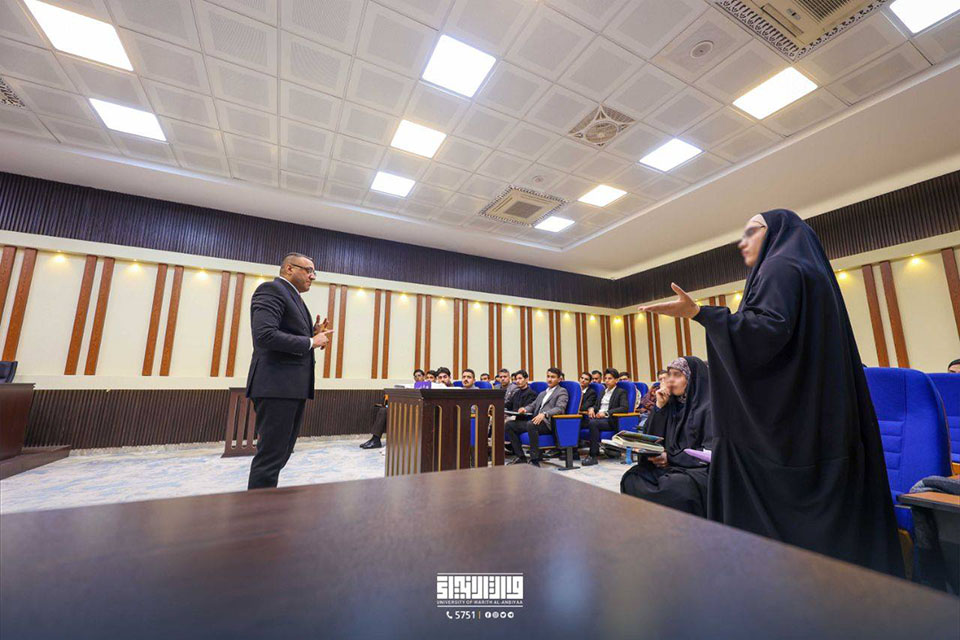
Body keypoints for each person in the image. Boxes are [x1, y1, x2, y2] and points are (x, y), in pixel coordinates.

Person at [640, 209, 902, 576]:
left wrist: (701, 313)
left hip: (794, 433)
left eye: (752, 231)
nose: (742, 242)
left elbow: (764, 336)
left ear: (779, 233)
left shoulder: (781, 266)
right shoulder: (808, 271)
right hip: (822, 419)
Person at [246, 252, 332, 490]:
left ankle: (265, 502)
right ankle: (258, 508)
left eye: (314, 272)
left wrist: (312, 334)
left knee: (281, 453)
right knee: (270, 457)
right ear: (289, 269)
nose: (313, 276)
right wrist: (311, 342)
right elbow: (265, 335)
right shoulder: (271, 290)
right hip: (276, 386)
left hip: (290, 388)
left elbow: (287, 333)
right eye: (308, 270)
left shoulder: (294, 297)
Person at [621, 357, 714, 517]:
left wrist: (670, 457)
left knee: (674, 486)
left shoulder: (709, 408)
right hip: (671, 467)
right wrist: (659, 407)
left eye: (677, 375)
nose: (670, 380)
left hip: (697, 469)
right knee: (632, 477)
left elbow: (709, 454)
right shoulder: (670, 405)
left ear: (692, 379)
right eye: (669, 375)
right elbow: (653, 439)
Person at [507, 367, 568, 467]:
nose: (549, 379)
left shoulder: (562, 391)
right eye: (548, 376)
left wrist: (545, 414)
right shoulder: (543, 393)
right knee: (509, 425)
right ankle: (521, 457)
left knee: (531, 424)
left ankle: (534, 460)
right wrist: (525, 409)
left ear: (559, 379)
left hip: (548, 423)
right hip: (535, 421)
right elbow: (533, 405)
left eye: (553, 377)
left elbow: (560, 408)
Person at [360, 368, 423, 450]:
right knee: (383, 410)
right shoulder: (411, 386)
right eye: (415, 376)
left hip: (416, 411)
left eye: (419, 376)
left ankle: (375, 440)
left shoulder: (429, 386)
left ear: (423, 377)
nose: (417, 378)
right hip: (406, 408)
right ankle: (375, 438)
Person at [581, 368, 629, 467]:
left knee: (593, 423)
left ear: (616, 380)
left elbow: (624, 408)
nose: (607, 381)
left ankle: (593, 455)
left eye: (610, 378)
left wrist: (606, 413)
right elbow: (597, 406)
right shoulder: (603, 391)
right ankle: (572, 451)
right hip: (598, 419)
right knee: (579, 421)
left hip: (611, 420)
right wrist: (591, 408)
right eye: (605, 378)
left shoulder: (621, 392)